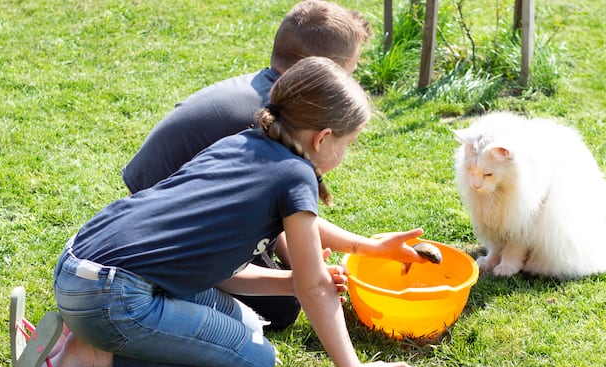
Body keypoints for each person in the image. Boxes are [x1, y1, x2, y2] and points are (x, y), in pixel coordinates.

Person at [18, 56, 425, 367]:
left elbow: (222, 268)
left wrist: (368, 247)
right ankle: (85, 357)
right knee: (257, 366)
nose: (345, 153)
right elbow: (314, 286)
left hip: (78, 265)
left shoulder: (244, 144)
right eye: (348, 143)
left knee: (248, 323)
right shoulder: (297, 175)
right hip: (112, 296)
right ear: (323, 139)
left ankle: (78, 328)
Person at [121, 0, 425, 331]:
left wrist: (306, 252)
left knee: (287, 280)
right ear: (320, 72)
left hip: (153, 205)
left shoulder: (274, 100)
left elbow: (270, 206)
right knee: (281, 306)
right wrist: (310, 267)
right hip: (168, 229)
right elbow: (276, 207)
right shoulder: (272, 120)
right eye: (349, 72)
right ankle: (166, 297)